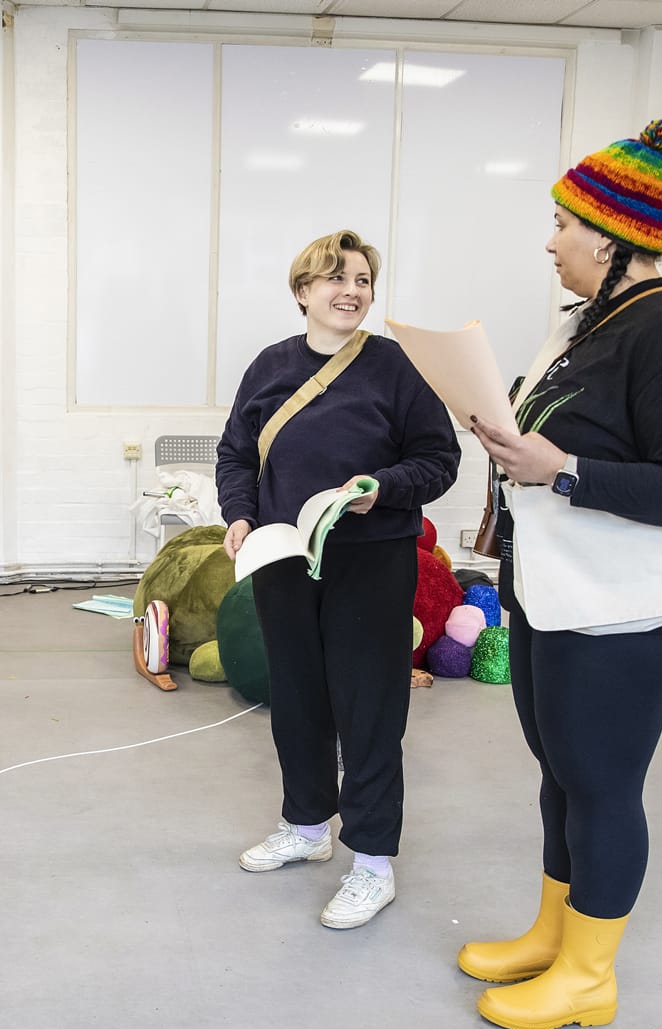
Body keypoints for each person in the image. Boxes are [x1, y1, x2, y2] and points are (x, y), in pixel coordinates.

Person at [461, 120, 662, 1029]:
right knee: (561, 771)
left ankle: (590, 976)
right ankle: (557, 932)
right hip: (558, 587)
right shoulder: (593, 322)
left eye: (563, 225)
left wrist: (562, 470)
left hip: (626, 605)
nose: (550, 242)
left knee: (601, 780)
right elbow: (557, 436)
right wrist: (511, 455)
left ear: (615, 239)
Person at [216, 229, 460, 930]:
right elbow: (236, 452)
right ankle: (306, 824)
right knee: (297, 696)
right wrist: (237, 514)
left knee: (371, 709)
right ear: (302, 292)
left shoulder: (395, 368)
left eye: (362, 280)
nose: (351, 290)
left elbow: (438, 460)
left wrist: (378, 488)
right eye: (335, 278)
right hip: (283, 556)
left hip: (372, 558)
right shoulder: (269, 366)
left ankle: (374, 862)